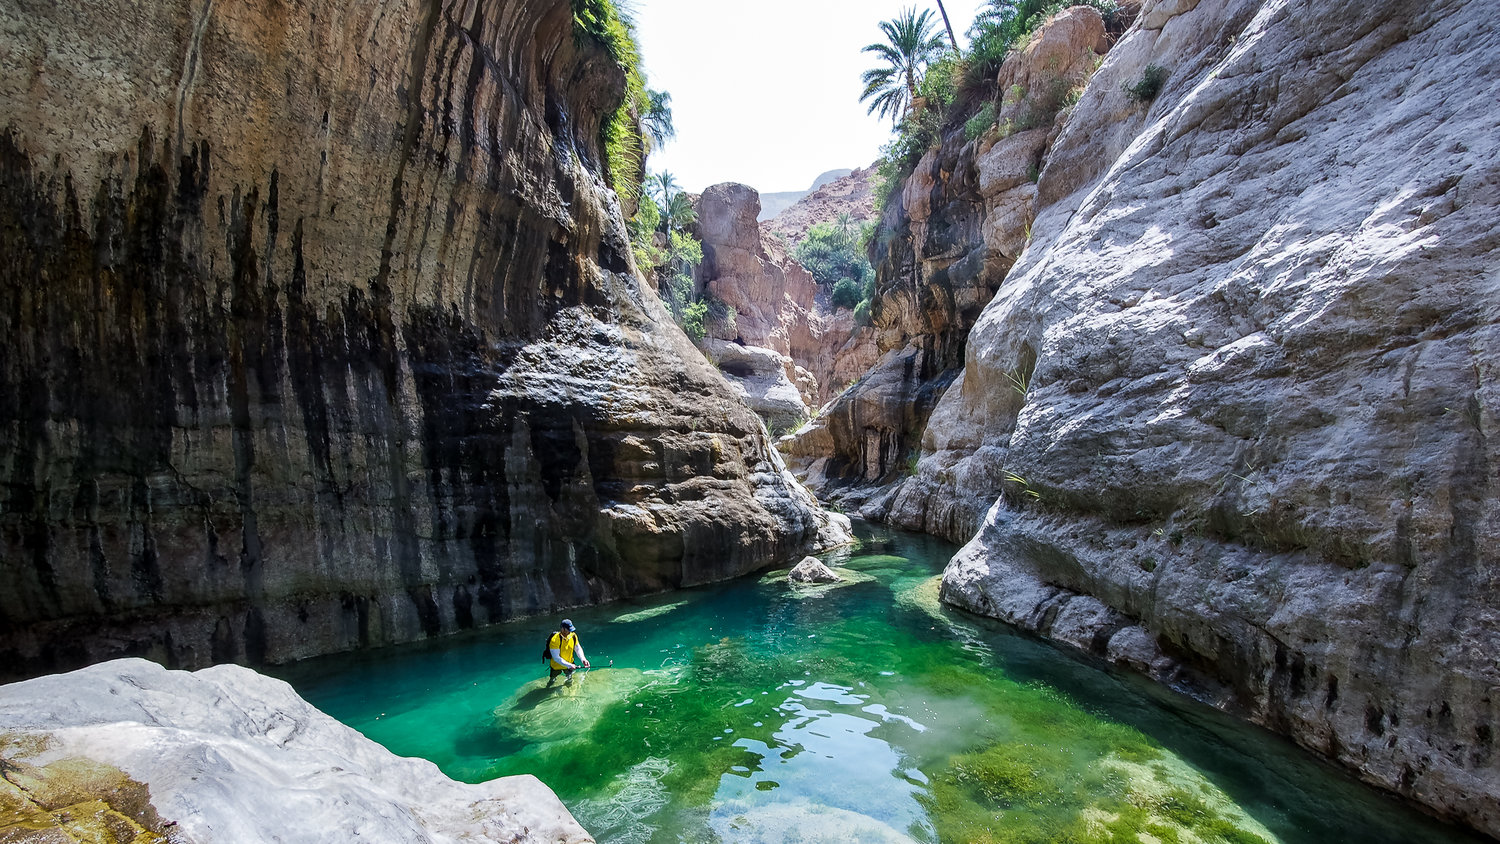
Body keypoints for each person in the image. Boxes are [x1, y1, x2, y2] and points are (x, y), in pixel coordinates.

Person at [546, 619, 590, 686]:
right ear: (562, 629)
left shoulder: (573, 636)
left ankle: (570, 690)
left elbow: (577, 648)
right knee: (552, 680)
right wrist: (569, 665)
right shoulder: (555, 640)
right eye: (568, 630)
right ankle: (548, 688)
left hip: (569, 664)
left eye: (570, 630)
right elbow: (556, 658)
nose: (570, 632)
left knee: (570, 680)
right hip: (556, 666)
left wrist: (583, 659)